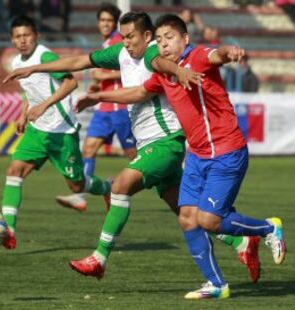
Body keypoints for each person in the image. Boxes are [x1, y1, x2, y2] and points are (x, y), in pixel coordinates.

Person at [3, 12, 262, 284]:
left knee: (120, 185)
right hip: (149, 144)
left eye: (131, 37)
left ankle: (99, 258)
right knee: (187, 213)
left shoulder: (152, 53)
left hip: (166, 143)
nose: (126, 42)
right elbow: (80, 61)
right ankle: (242, 243)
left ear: (147, 36)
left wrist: (179, 70)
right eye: (123, 37)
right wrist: (33, 69)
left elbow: (160, 63)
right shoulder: (122, 53)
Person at [74, 14, 286, 299]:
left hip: (226, 151)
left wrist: (229, 52)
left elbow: (216, 55)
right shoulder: (163, 74)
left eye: (169, 38)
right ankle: (216, 284)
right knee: (187, 218)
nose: (163, 45)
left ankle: (267, 227)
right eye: (159, 40)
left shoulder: (196, 57)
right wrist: (99, 98)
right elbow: (138, 92)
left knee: (209, 220)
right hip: (198, 155)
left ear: (185, 39)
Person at [1, 15, 111, 250]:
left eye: (27, 35)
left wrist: (44, 106)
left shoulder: (45, 56)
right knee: (14, 171)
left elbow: (70, 83)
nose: (23, 40)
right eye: (18, 36)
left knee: (76, 185)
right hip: (37, 130)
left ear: (36, 36)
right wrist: (23, 114)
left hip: (61, 130)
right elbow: (29, 91)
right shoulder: (17, 63)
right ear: (12, 39)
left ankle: (107, 188)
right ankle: (9, 231)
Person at [55, 3, 137, 212]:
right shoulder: (106, 43)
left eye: (109, 21)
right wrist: (97, 84)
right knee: (89, 148)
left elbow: (133, 70)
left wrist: (104, 75)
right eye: (102, 20)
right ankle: (80, 196)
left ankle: (118, 186)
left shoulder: (120, 41)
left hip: (120, 106)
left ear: (116, 24)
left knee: (135, 157)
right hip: (105, 108)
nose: (105, 24)